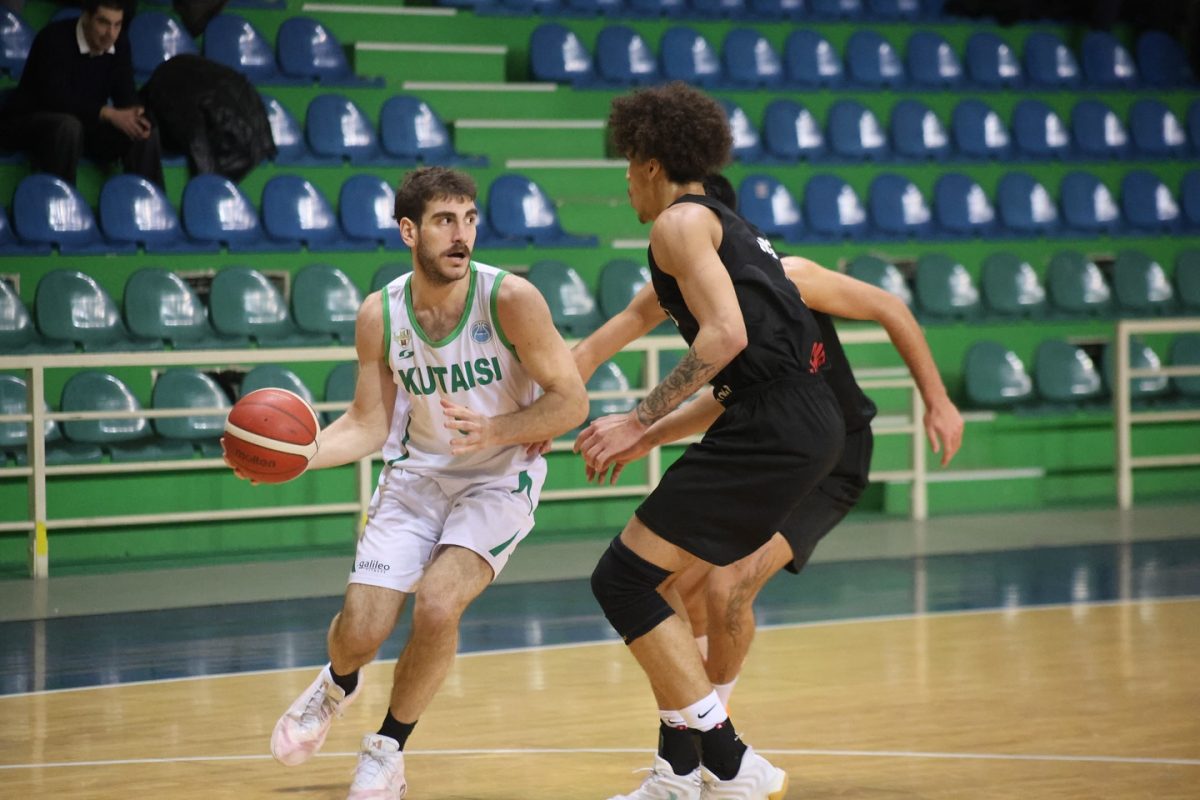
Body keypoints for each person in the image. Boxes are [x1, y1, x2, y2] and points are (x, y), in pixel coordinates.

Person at [572, 175, 964, 799]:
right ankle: (689, 760)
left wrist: (937, 400)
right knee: (669, 589)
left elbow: (891, 307)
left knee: (724, 584)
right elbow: (689, 370)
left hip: (830, 454)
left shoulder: (786, 276)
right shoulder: (693, 282)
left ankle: (718, 752)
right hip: (775, 439)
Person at [224, 166, 588, 800]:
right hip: (417, 475)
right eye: (445, 221)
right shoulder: (380, 314)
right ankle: (339, 680)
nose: (461, 235)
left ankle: (387, 748)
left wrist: (497, 430)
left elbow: (571, 402)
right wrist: (299, 455)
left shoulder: (510, 300)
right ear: (408, 231)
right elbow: (367, 423)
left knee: (439, 603)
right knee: (360, 632)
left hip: (498, 479)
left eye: (469, 219)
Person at [576, 82, 846, 800]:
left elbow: (726, 338)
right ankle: (677, 772)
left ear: (651, 163)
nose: (627, 183)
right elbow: (740, 375)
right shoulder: (728, 225)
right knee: (660, 585)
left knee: (622, 581)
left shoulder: (677, 225)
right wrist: (647, 433)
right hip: (795, 419)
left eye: (628, 166)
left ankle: (728, 760)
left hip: (775, 424)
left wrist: (636, 420)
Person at [0, 0, 164, 187]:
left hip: (86, 123)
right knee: (68, 126)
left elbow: (125, 92)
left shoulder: (120, 43)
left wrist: (135, 113)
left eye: (117, 25)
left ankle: (152, 200)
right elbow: (54, 98)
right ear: (86, 17)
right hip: (33, 121)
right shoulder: (54, 38)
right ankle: (63, 198)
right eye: (103, 23)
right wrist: (106, 113)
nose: (110, 34)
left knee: (142, 129)